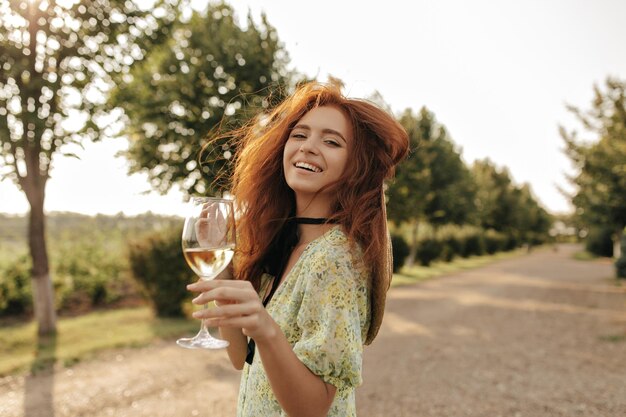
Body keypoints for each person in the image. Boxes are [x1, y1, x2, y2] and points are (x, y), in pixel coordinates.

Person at [187, 82, 409, 416]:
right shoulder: (289, 243)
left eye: (332, 141)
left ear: (356, 167)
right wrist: (221, 267)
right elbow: (240, 357)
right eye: (300, 135)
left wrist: (264, 326)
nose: (308, 147)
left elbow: (312, 408)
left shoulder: (333, 259)